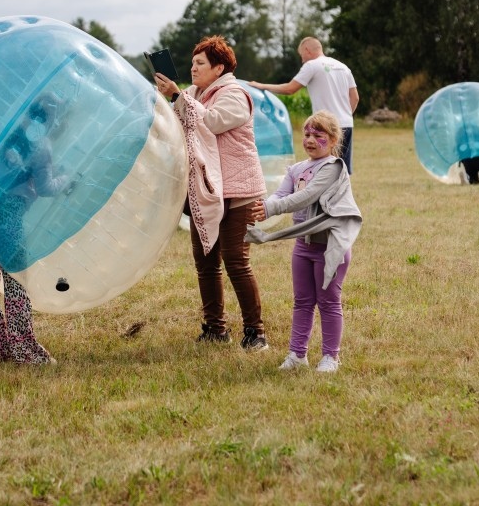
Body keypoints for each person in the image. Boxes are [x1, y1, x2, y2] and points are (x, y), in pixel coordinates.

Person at [154, 36, 269, 351]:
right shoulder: (192, 93)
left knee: (235, 261)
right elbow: (178, 124)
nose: (193, 68)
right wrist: (167, 100)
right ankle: (215, 329)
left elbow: (213, 123)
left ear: (219, 67)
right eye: (191, 63)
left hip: (238, 191)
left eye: (200, 63)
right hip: (205, 190)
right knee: (205, 262)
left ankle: (255, 332)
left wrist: (178, 95)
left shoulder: (235, 94)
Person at [246, 111, 362, 374]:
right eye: (307, 134)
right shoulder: (296, 169)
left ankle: (331, 357)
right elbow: (281, 195)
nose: (310, 140)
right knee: (302, 301)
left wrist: (270, 209)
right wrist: (264, 205)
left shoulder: (333, 168)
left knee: (329, 302)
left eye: (318, 135)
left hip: (330, 247)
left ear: (333, 140)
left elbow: (306, 197)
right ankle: (297, 354)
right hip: (303, 247)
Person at [0, 96, 72, 365]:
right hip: (8, 218)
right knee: (16, 281)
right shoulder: (41, 145)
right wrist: (66, 178)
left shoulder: (1, 134)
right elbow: (47, 187)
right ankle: (24, 349)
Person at [249, 37, 359, 173]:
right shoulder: (343, 67)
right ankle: (343, 194)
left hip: (324, 126)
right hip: (346, 123)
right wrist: (345, 116)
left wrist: (261, 86)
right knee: (342, 169)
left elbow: (290, 88)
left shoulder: (312, 65)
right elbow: (355, 98)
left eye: (302, 55)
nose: (302, 60)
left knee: (325, 168)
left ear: (307, 50)